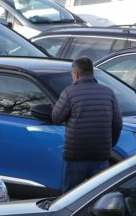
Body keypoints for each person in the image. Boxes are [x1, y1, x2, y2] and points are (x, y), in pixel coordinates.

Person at [52, 57, 122, 191]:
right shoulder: (108, 92)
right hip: (100, 155)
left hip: (76, 154)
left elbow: (56, 118)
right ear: (92, 73)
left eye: (72, 74)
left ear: (76, 74)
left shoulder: (69, 92)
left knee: (71, 196)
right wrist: (109, 145)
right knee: (98, 194)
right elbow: (118, 124)